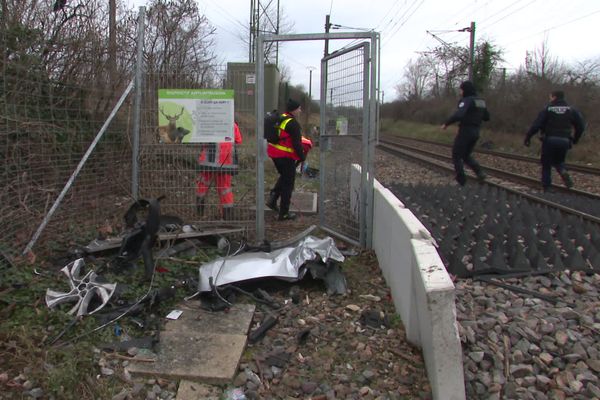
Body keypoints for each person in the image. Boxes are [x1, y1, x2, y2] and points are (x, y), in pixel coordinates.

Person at [524, 90, 585, 191]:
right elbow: (581, 127)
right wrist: (575, 139)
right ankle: (562, 171)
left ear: (554, 97)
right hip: (565, 140)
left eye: (550, 97)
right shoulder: (571, 110)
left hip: (550, 139)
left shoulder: (548, 109)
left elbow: (536, 125)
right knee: (559, 161)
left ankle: (547, 187)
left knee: (546, 163)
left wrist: (528, 137)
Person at [266, 98, 312, 221]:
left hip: (275, 154)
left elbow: (283, 137)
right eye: (299, 108)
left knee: (285, 177)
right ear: (294, 110)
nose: (300, 110)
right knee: (288, 184)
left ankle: (273, 198)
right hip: (286, 156)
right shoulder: (293, 123)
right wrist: (302, 158)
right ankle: (284, 213)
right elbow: (297, 144)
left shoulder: (281, 118)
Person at [441, 80, 490, 186]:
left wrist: (447, 123)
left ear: (465, 90)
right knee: (466, 155)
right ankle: (480, 172)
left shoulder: (466, 100)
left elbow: (459, 114)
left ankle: (461, 180)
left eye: (461, 90)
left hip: (466, 131)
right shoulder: (481, 101)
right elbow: (487, 117)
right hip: (476, 132)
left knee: (456, 155)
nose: (460, 92)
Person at [196, 122, 243, 220]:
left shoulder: (209, 122)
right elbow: (238, 140)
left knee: (202, 185)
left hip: (208, 161)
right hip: (226, 161)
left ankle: (199, 214)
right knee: (225, 189)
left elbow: (201, 140)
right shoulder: (232, 124)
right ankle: (227, 216)